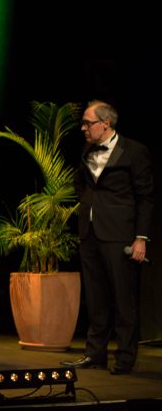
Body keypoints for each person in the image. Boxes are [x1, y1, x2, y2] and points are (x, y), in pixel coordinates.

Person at [62, 101, 153, 375]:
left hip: (119, 235)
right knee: (96, 297)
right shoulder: (87, 149)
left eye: (87, 123)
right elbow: (81, 183)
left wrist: (141, 237)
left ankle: (125, 358)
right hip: (90, 232)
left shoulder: (134, 151)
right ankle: (94, 354)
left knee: (123, 299)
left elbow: (145, 197)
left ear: (105, 124)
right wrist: (89, 205)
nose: (83, 128)